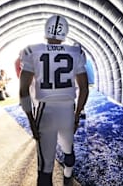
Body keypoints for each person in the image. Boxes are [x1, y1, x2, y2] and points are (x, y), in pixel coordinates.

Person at [19, 15, 89, 186]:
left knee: (45, 167)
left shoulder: (31, 51)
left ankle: (65, 178)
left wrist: (30, 119)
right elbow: (84, 89)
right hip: (67, 111)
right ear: (65, 32)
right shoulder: (76, 52)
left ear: (46, 30)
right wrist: (77, 114)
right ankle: (68, 177)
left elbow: (23, 91)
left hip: (46, 112)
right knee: (68, 149)